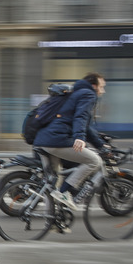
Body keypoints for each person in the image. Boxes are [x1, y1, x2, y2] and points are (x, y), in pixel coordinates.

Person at [33, 72, 109, 210]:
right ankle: (63, 194)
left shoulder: (73, 93)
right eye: (102, 87)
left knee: (53, 182)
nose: (103, 91)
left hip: (42, 140)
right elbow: (81, 117)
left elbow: (85, 126)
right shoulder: (88, 94)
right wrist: (79, 137)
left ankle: (52, 219)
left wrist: (99, 144)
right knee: (95, 161)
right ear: (94, 86)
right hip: (56, 140)